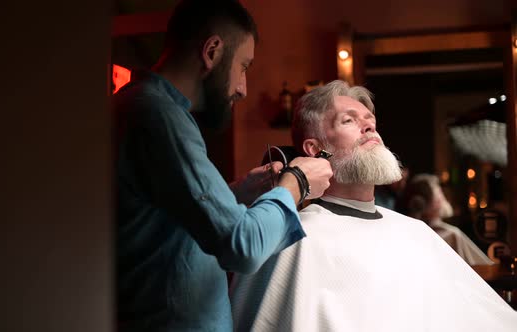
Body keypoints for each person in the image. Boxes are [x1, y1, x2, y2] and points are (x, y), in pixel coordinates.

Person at [112, 1, 333, 330]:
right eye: (243, 66)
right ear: (212, 51)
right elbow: (242, 247)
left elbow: (168, 215)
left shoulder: (144, 107)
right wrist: (296, 181)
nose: (243, 88)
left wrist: (237, 193)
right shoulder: (158, 117)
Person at [230, 80, 517, 332]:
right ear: (315, 150)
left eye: (370, 121)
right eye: (349, 120)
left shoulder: (416, 232)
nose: (369, 126)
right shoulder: (296, 238)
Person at [402, 173, 493, 266]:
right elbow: (481, 268)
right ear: (434, 202)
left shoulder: (405, 234)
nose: (443, 197)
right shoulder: (451, 235)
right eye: (439, 193)